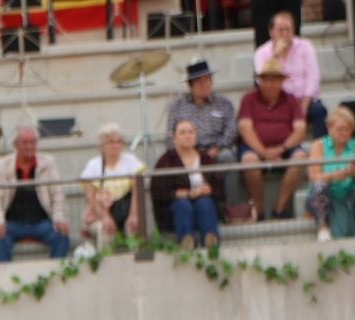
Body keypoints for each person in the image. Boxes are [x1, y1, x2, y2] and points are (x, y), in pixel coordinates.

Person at [238, 59, 307, 221]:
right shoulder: (248, 99)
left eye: (274, 79)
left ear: (281, 81)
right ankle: (260, 210)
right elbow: (245, 129)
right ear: (260, 81)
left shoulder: (291, 99)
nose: (270, 83)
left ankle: (280, 208)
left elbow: (300, 129)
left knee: (301, 156)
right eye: (266, 79)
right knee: (249, 159)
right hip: (255, 147)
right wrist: (263, 152)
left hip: (285, 147)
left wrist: (281, 149)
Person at [0, 125, 70, 262]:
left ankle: (52, 275)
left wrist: (59, 219)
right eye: (25, 143)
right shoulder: (0, 166)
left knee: (62, 237)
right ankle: (6, 281)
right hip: (12, 223)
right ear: (15, 145)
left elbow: (57, 195)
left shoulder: (48, 163)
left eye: (33, 142)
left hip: (41, 223)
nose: (29, 146)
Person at [257, 8, 326, 141]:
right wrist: (275, 56)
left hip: (304, 101)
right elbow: (264, 83)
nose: (284, 34)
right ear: (271, 32)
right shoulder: (262, 53)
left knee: (319, 110)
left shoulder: (306, 46)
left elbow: (313, 77)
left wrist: (303, 106)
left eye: (288, 30)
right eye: (280, 30)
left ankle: (320, 153)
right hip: (279, 102)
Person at [305, 104, 355, 242]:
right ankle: (322, 228)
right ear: (329, 128)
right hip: (326, 191)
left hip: (348, 190)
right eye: (340, 129)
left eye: (348, 129)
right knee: (319, 186)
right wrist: (334, 175)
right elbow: (313, 176)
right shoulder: (318, 145)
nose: (344, 133)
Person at [153, 118, 219, 249]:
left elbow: (218, 184)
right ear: (174, 137)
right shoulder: (166, 161)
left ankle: (210, 239)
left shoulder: (206, 158)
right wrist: (188, 193)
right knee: (183, 204)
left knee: (204, 203)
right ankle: (186, 240)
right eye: (182, 132)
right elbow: (159, 191)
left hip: (203, 201)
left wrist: (208, 189)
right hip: (176, 205)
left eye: (191, 132)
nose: (187, 135)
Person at [79, 123, 144, 245]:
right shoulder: (93, 165)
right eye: (111, 142)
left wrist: (134, 215)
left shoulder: (131, 161)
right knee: (105, 230)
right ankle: (106, 262)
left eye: (119, 142)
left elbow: (137, 192)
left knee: (134, 228)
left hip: (127, 210)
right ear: (101, 146)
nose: (116, 146)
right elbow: (91, 197)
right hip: (100, 213)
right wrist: (105, 217)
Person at [164, 58, 237, 165]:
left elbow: (232, 131)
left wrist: (217, 147)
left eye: (207, 79)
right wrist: (187, 151)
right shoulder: (177, 106)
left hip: (217, 149)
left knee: (227, 157)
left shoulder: (224, 103)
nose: (204, 84)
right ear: (190, 86)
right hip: (187, 150)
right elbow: (170, 135)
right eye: (199, 81)